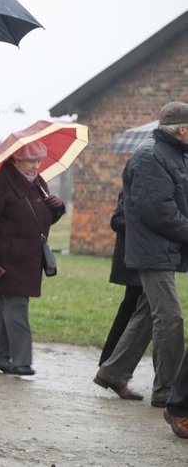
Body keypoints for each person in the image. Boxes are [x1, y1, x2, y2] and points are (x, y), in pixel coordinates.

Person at [95, 101, 188, 408]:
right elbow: (158, 211)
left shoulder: (176, 155)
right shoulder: (150, 156)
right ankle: (168, 391)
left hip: (165, 248)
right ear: (182, 129)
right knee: (171, 318)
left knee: (149, 313)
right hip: (152, 250)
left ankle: (113, 372)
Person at [0, 141, 66, 376]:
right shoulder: (0, 182)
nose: (37, 166)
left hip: (28, 258)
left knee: (7, 307)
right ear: (17, 160)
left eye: (39, 161)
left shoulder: (38, 183)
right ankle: (21, 361)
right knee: (16, 308)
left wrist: (57, 208)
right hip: (6, 259)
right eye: (32, 161)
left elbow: (40, 219)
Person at [98, 192, 142, 366]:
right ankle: (110, 362)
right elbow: (117, 221)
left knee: (136, 312)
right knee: (133, 311)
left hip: (147, 260)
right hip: (133, 261)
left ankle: (110, 362)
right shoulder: (132, 188)